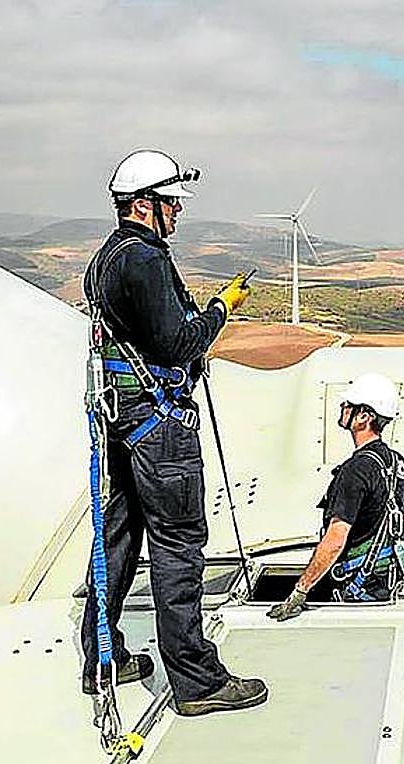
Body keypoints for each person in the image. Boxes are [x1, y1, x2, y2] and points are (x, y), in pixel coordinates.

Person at [82, 148, 267, 717]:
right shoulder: (144, 260)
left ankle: (102, 658)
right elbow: (179, 344)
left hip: (121, 420)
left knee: (117, 537)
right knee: (178, 544)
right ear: (144, 205)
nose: (177, 214)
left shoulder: (106, 259)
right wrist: (220, 309)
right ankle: (196, 679)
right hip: (159, 425)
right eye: (171, 203)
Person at [268, 373, 404, 621]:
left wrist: (300, 591)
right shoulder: (399, 464)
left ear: (364, 417)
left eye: (348, 405)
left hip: (355, 590)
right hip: (384, 586)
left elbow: (336, 539)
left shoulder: (354, 472)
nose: (342, 407)